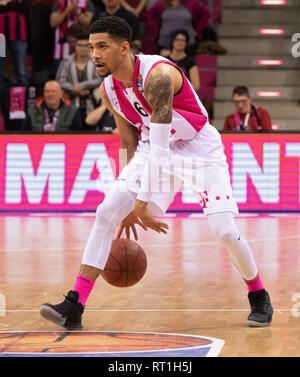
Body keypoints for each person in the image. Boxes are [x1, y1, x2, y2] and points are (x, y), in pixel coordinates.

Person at [40, 16, 273, 330]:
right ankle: (74, 304)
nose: (94, 54)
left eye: (102, 46)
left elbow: (163, 151)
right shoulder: (109, 89)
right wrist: (126, 191)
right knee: (107, 210)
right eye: (92, 47)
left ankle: (258, 294)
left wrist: (141, 203)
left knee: (225, 231)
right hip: (152, 148)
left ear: (124, 48)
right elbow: (128, 141)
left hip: (196, 149)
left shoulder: (158, 76)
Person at [56, 34, 102, 125]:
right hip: (71, 99)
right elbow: (60, 81)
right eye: (79, 45)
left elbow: (99, 79)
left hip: (91, 99)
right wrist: (73, 88)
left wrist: (81, 86)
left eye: (86, 46)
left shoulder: (96, 61)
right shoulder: (67, 61)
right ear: (75, 46)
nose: (83, 48)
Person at [147, 0, 211, 56]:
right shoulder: (161, 3)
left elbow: (206, 14)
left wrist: (198, 30)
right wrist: (157, 29)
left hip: (187, 44)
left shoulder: (192, 3)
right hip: (165, 43)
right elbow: (150, 14)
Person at [50, 0, 94, 72]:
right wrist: (66, 10)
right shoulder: (58, 2)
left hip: (83, 48)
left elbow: (90, 23)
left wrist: (78, 12)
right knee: (61, 75)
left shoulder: (87, 2)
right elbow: (53, 23)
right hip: (61, 49)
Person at [0, 0, 29, 89]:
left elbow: (24, 7)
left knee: (21, 72)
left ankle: (24, 99)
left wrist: (6, 4)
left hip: (18, 36)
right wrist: (13, 5)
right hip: (1, 38)